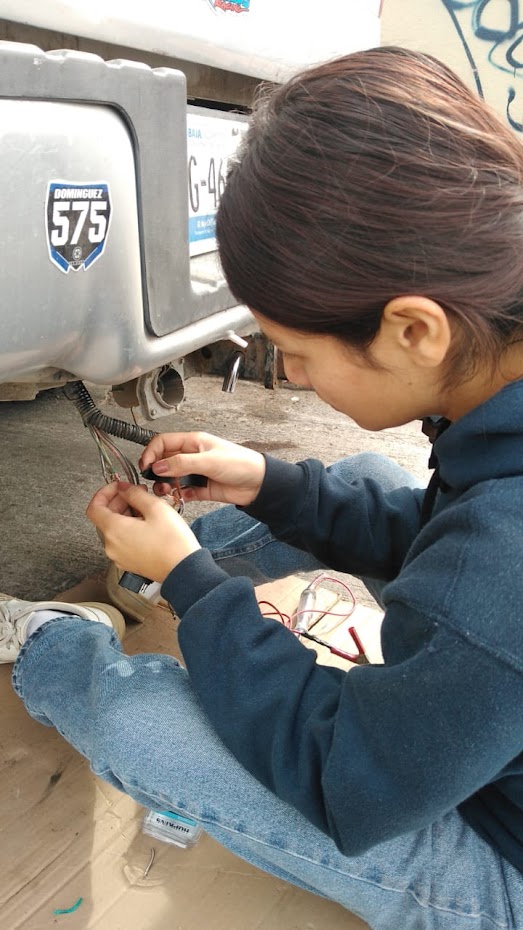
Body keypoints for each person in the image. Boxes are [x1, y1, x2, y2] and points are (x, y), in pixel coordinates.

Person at [3, 45, 523, 929]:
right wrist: (268, 483)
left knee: (151, 729)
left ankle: (51, 644)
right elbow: (451, 546)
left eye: (301, 352)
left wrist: (194, 589)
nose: (294, 375)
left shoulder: (501, 559)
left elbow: (346, 778)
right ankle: (164, 561)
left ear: (413, 330)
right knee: (352, 481)